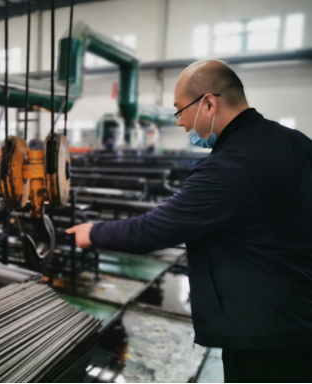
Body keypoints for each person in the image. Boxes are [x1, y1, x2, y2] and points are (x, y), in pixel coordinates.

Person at [67, 60, 312, 383]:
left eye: (181, 110)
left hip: (266, 339)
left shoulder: (232, 164)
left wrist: (92, 232)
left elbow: (155, 229)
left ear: (209, 103)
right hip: (299, 314)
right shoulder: (296, 142)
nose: (180, 122)